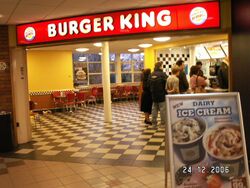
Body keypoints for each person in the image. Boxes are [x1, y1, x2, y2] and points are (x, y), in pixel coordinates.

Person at [149, 62, 167, 127]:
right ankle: (163, 123)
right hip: (162, 94)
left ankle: (154, 123)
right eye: (162, 66)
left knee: (154, 109)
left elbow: (148, 84)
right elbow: (166, 84)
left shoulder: (151, 74)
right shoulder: (163, 74)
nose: (162, 67)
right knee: (162, 110)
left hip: (153, 94)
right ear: (160, 66)